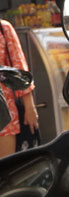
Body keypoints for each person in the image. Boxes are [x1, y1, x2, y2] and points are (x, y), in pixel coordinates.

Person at [0, 19, 37, 157]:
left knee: (6, 170)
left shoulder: (3, 28)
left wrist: (29, 106)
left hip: (4, 114)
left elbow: (18, 68)